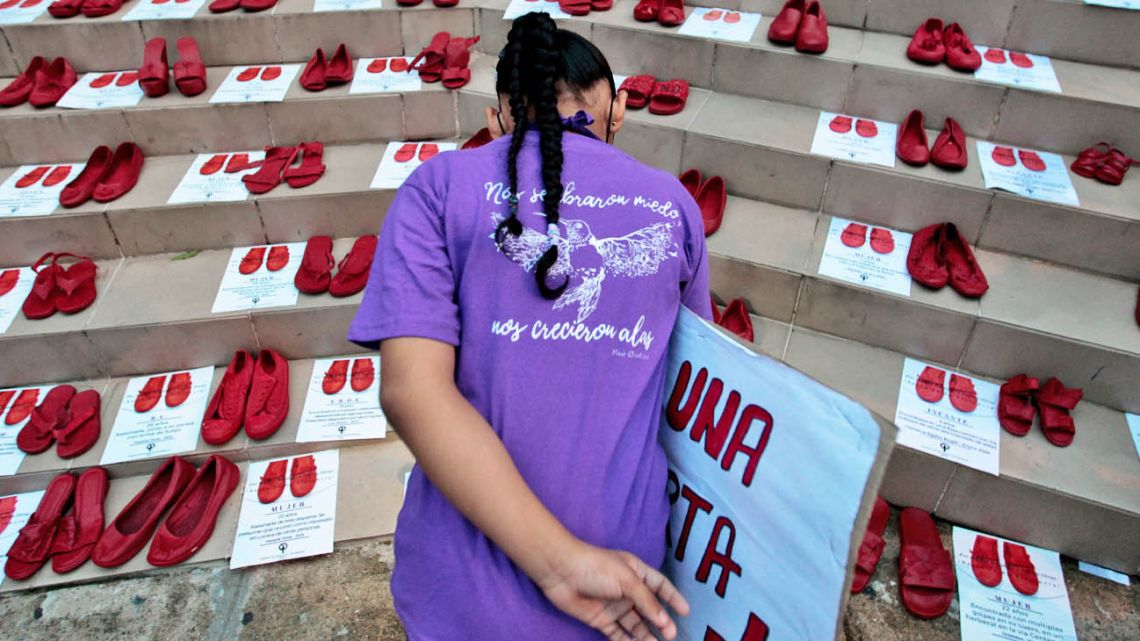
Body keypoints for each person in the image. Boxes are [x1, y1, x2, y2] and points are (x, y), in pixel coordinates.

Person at [348, 12, 711, 641]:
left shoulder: (439, 186)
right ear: (617, 109)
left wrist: (558, 565)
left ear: (496, 120)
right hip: (625, 586)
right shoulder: (674, 204)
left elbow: (410, 390)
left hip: (461, 591)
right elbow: (694, 385)